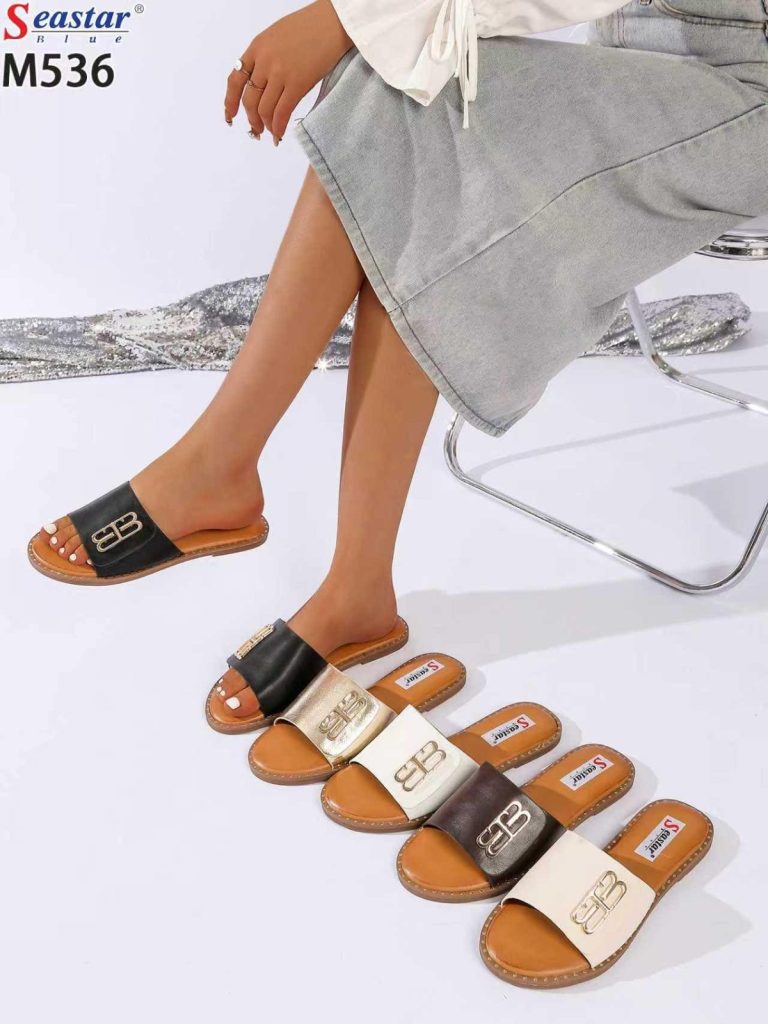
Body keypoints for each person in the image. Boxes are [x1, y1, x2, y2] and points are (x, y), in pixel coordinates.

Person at [30, 1, 768, 727]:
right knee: (402, 75)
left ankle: (242, 485)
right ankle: (308, 542)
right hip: (640, 60)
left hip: (744, 100)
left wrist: (347, 17)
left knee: (400, 73)